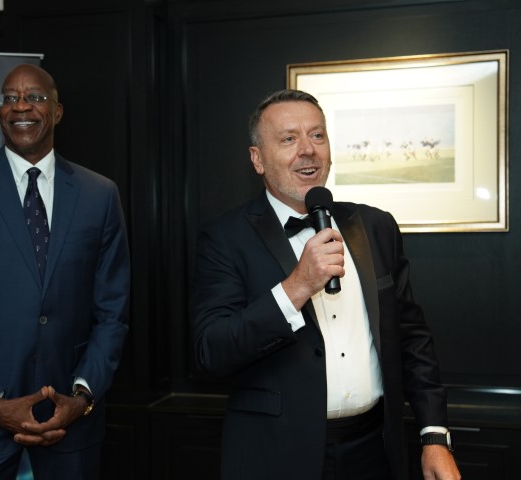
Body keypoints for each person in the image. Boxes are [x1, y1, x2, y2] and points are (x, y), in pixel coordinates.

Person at [189, 89, 461, 480]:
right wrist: (296, 287)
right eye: (289, 138)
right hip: (276, 456)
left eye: (317, 135)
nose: (308, 150)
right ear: (257, 159)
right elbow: (210, 351)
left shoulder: (375, 226)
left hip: (376, 452)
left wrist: (434, 436)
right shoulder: (224, 237)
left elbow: (412, 339)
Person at [0, 64, 130, 479]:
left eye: (34, 97)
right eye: (10, 98)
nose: (20, 106)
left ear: (57, 111)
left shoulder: (99, 194)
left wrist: (81, 397)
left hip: (70, 421)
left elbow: (113, 311)